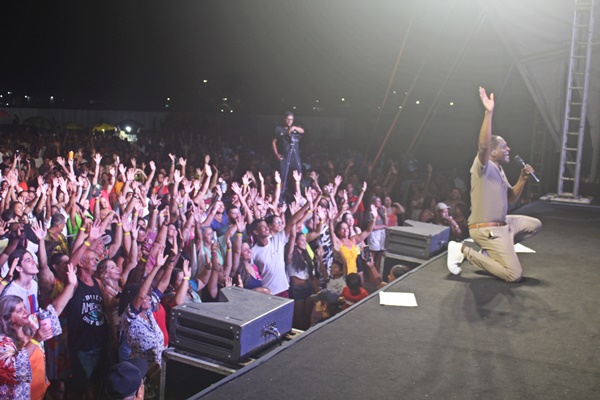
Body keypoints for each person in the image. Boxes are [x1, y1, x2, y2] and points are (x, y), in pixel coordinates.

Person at [447, 87, 542, 282]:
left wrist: (523, 178)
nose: (509, 149)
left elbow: (511, 198)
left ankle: (491, 253)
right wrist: (488, 112)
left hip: (504, 225)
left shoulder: (499, 169)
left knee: (534, 225)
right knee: (513, 275)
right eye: (504, 146)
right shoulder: (484, 166)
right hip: (486, 228)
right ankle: (464, 250)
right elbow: (483, 145)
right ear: (493, 152)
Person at [272, 112, 304, 197]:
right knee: (283, 178)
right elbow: (273, 142)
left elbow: (302, 131)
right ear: (284, 119)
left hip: (295, 156)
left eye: (291, 119)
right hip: (284, 156)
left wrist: (293, 127)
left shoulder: (295, 128)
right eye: (288, 119)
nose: (290, 121)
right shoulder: (279, 129)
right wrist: (276, 154)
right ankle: (279, 196)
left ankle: (300, 196)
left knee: (298, 177)